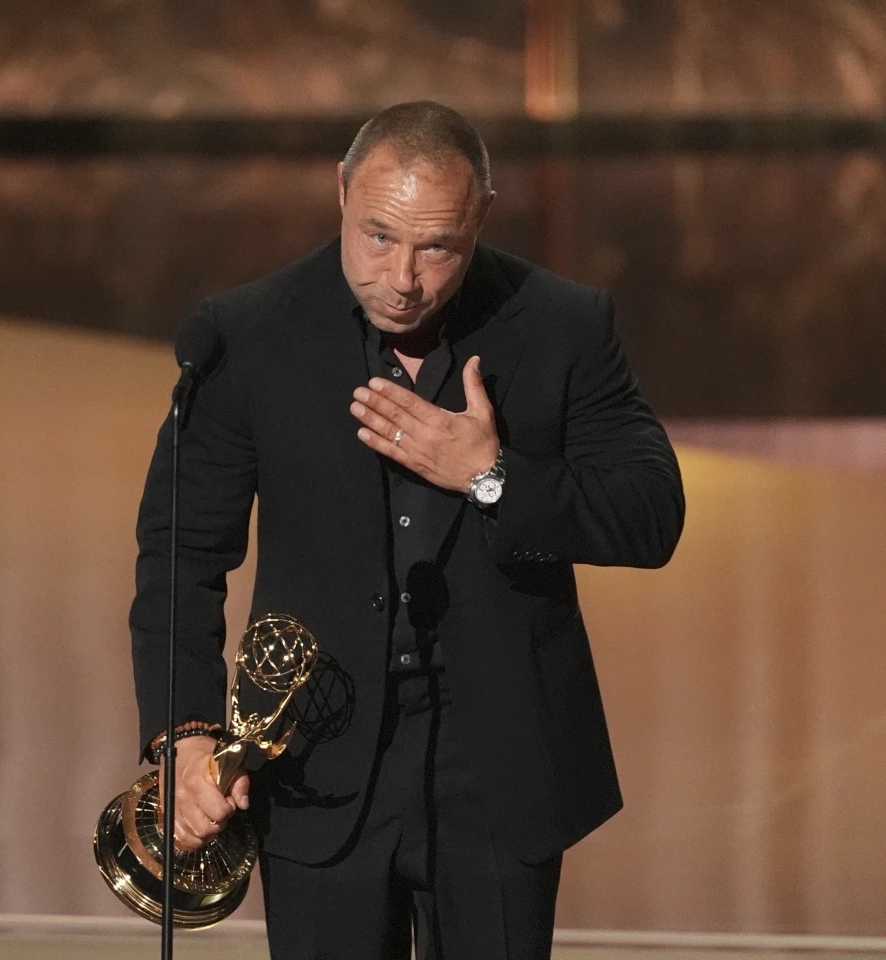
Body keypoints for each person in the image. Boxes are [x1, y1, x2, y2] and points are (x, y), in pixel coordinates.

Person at [129, 101, 685, 959]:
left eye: (437, 248)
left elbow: (651, 515)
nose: (402, 278)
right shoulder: (246, 335)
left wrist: (491, 476)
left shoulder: (563, 325)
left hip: (499, 765)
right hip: (313, 759)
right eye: (378, 236)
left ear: (481, 218)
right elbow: (181, 553)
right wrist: (185, 735)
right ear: (341, 191)